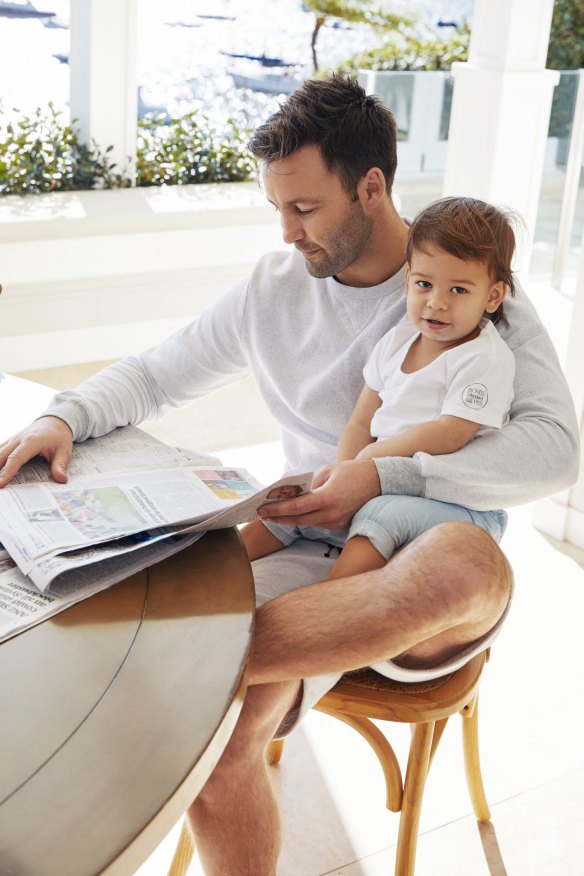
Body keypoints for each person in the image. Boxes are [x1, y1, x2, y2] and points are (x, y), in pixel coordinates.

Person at [0, 76, 578, 874]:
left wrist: (379, 480)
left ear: (370, 188)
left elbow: (555, 452)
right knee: (220, 738)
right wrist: (60, 418)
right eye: (278, 208)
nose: (286, 233)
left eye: (304, 209)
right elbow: (156, 373)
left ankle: (176, 657)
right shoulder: (276, 289)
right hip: (304, 545)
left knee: (465, 562)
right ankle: (186, 660)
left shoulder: (469, 289)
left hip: (410, 549)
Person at [241, 196, 516, 582]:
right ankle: (206, 572)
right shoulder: (399, 340)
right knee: (295, 507)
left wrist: (375, 459)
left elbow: (452, 431)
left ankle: (328, 604)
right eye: (424, 284)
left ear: (492, 296)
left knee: (380, 516)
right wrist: (343, 475)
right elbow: (360, 421)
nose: (436, 303)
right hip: (383, 481)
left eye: (458, 290)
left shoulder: (483, 356)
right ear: (408, 281)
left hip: (457, 504)